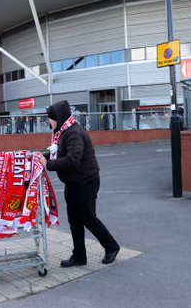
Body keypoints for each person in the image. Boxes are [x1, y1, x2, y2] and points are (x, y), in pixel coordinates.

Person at [37, 100, 120, 267]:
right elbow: (59, 153)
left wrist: (48, 165)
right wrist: (43, 157)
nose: (49, 122)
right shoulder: (63, 132)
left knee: (89, 218)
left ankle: (111, 247)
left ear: (58, 119)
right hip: (74, 182)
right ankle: (79, 256)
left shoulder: (74, 133)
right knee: (74, 220)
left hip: (86, 182)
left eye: (51, 119)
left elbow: (72, 159)